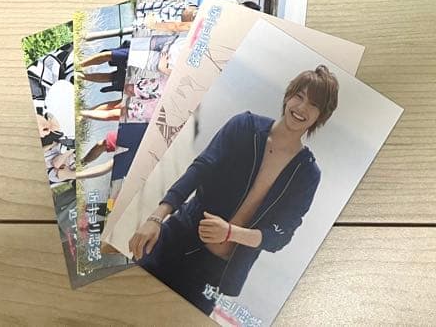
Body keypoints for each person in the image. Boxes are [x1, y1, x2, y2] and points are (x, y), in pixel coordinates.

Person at [129, 66, 339, 314]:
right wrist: (156, 218)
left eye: (313, 104)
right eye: (299, 96)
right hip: (176, 238)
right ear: (288, 95)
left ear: (321, 116)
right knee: (122, 302)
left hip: (213, 274)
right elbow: (200, 169)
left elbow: (280, 236)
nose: (301, 108)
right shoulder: (245, 127)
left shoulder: (306, 174)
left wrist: (231, 233)